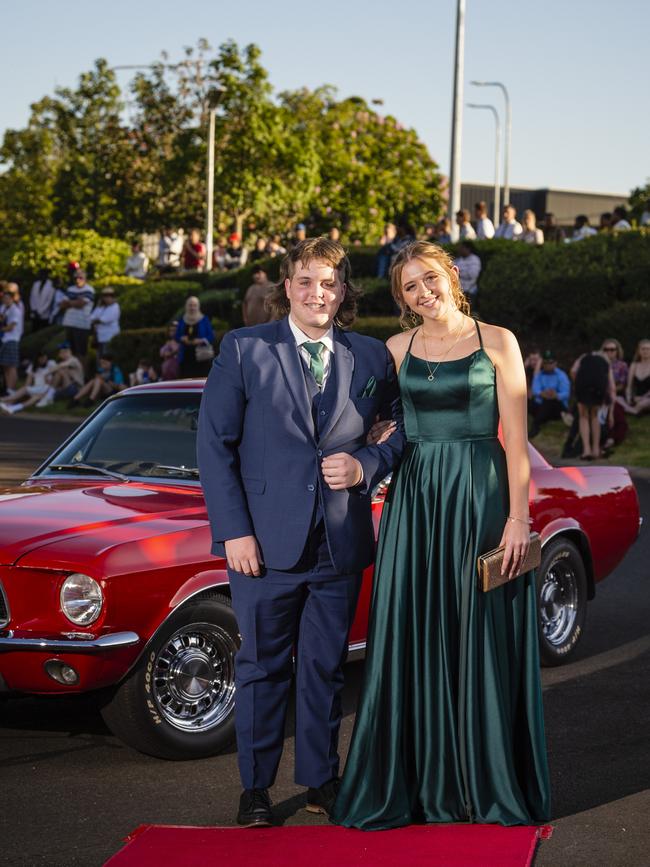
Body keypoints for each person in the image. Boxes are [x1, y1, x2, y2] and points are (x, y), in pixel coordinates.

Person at [331, 240, 550, 829]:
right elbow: (367, 422)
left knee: (477, 633)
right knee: (415, 628)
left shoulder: (498, 341)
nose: (422, 292)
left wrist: (518, 518)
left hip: (482, 498)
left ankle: (484, 782)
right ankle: (416, 782)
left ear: (450, 276)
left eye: (429, 278)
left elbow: (517, 443)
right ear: (400, 298)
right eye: (409, 286)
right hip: (417, 501)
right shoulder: (394, 350)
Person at [197, 237, 405, 828]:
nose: (320, 293)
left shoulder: (369, 356)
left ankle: (321, 780)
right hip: (263, 544)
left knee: (324, 668)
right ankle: (256, 789)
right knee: (262, 667)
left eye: (332, 283)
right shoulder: (244, 349)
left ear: (344, 293)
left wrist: (367, 462)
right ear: (287, 286)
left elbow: (401, 425)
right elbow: (215, 447)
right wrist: (234, 532)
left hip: (338, 541)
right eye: (309, 281)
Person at [571, 351, 615, 460]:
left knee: (583, 416)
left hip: (583, 386)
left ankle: (586, 450)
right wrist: (611, 412)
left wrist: (576, 384)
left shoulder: (584, 356)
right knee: (595, 416)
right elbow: (612, 385)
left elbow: (573, 370)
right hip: (598, 388)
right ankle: (595, 449)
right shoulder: (605, 360)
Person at [529, 349, 571, 437]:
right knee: (526, 402)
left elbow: (566, 393)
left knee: (549, 402)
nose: (548, 365)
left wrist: (556, 395)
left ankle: (536, 425)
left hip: (557, 406)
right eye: (546, 362)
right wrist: (542, 394)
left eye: (550, 362)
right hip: (542, 404)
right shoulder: (539, 375)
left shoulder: (561, 375)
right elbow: (535, 390)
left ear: (555, 363)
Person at [175, 296, 215, 379]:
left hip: (201, 357)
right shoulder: (182, 320)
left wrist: (201, 340)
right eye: (190, 305)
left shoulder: (204, 319)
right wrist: (182, 338)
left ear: (198, 306)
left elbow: (211, 336)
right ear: (186, 306)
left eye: (194, 305)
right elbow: (176, 336)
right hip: (186, 358)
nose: (192, 307)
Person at [60, 269, 95, 360]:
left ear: (85, 278)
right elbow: (63, 304)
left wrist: (70, 302)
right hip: (69, 323)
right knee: (69, 352)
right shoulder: (70, 289)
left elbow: (81, 304)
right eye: (76, 278)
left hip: (82, 325)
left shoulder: (89, 289)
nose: (78, 280)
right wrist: (76, 301)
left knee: (81, 353)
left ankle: (82, 373)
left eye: (80, 278)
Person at [0, 286, 23, 395]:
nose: (5, 300)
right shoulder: (4, 308)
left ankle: (11, 389)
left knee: (11, 366)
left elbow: (11, 326)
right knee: (5, 365)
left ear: (12, 298)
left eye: (7, 298)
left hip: (12, 339)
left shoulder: (15, 310)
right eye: (4, 298)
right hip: (4, 339)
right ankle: (8, 388)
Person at [618, 339, 650, 415]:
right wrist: (629, 399)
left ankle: (631, 410)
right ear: (639, 351)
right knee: (617, 398)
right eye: (643, 349)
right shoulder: (634, 365)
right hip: (635, 398)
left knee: (644, 403)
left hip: (647, 398)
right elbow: (629, 386)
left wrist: (642, 398)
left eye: (648, 349)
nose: (645, 351)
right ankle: (633, 409)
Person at [91, 287, 121, 358]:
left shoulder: (115, 307)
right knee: (99, 358)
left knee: (107, 359)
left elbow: (104, 320)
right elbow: (91, 318)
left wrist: (96, 320)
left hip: (110, 338)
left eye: (110, 296)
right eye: (105, 296)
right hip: (99, 337)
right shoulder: (100, 307)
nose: (107, 298)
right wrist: (96, 320)